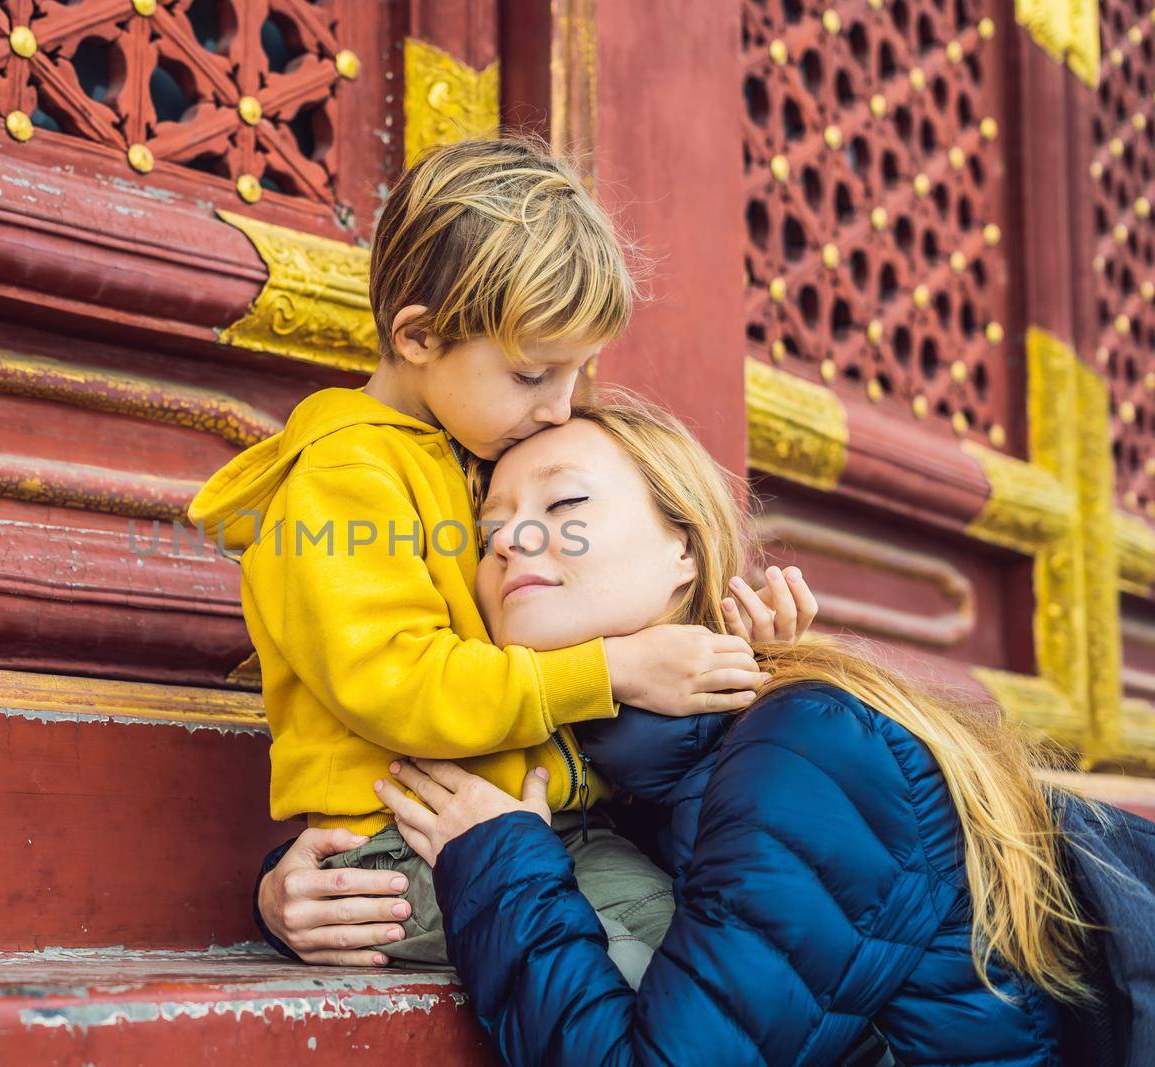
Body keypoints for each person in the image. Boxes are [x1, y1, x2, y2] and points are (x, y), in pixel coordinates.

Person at [187, 136, 789, 968]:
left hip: (554, 823)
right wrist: (612, 667)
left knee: (711, 955)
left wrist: (737, 643)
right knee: (639, 977)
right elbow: (398, 682)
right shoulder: (343, 475)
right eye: (535, 374)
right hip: (401, 847)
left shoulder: (480, 456)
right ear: (421, 336)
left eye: (577, 374)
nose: (560, 407)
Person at [374, 394, 1090, 1065]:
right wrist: (298, 897)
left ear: (684, 549)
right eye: (488, 530)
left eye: (565, 503)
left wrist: (499, 868)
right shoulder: (624, 778)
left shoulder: (808, 750)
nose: (509, 542)